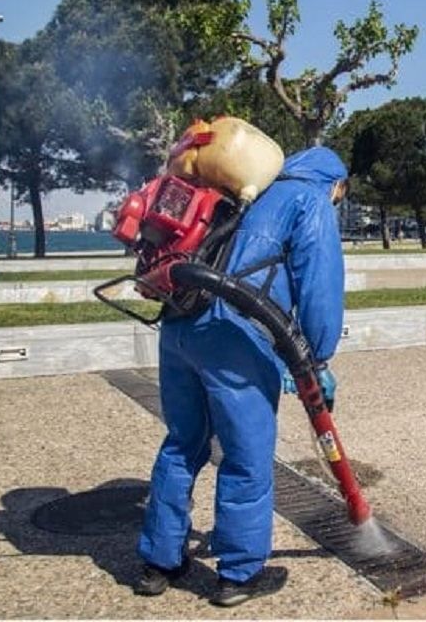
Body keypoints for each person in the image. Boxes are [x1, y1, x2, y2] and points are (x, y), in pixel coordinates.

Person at [133, 146, 348, 607]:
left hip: (179, 324)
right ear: (337, 184)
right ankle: (239, 573)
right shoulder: (310, 201)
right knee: (247, 455)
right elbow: (319, 286)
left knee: (181, 442)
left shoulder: (243, 191)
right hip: (235, 336)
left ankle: (158, 561)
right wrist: (319, 359)